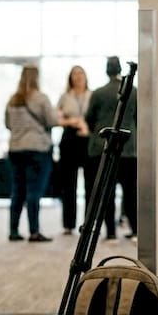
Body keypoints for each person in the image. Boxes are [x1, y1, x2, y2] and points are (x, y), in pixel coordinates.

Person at [85, 57, 136, 240]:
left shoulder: (98, 93)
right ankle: (135, 229)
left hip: (103, 148)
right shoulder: (134, 92)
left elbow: (89, 119)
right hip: (129, 148)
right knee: (130, 191)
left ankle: (111, 232)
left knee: (107, 192)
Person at [5, 65, 57, 242]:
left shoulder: (13, 100)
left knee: (17, 190)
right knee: (34, 190)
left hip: (15, 149)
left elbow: (8, 124)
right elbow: (51, 121)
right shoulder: (41, 98)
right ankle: (34, 231)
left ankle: (13, 230)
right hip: (37, 149)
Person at [56, 66, 91, 235]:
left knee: (90, 184)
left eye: (80, 74)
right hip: (69, 139)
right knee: (68, 184)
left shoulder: (91, 95)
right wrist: (72, 122)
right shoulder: (65, 97)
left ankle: (89, 224)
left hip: (87, 138)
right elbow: (58, 118)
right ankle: (68, 224)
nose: (78, 77)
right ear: (70, 78)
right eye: (74, 74)